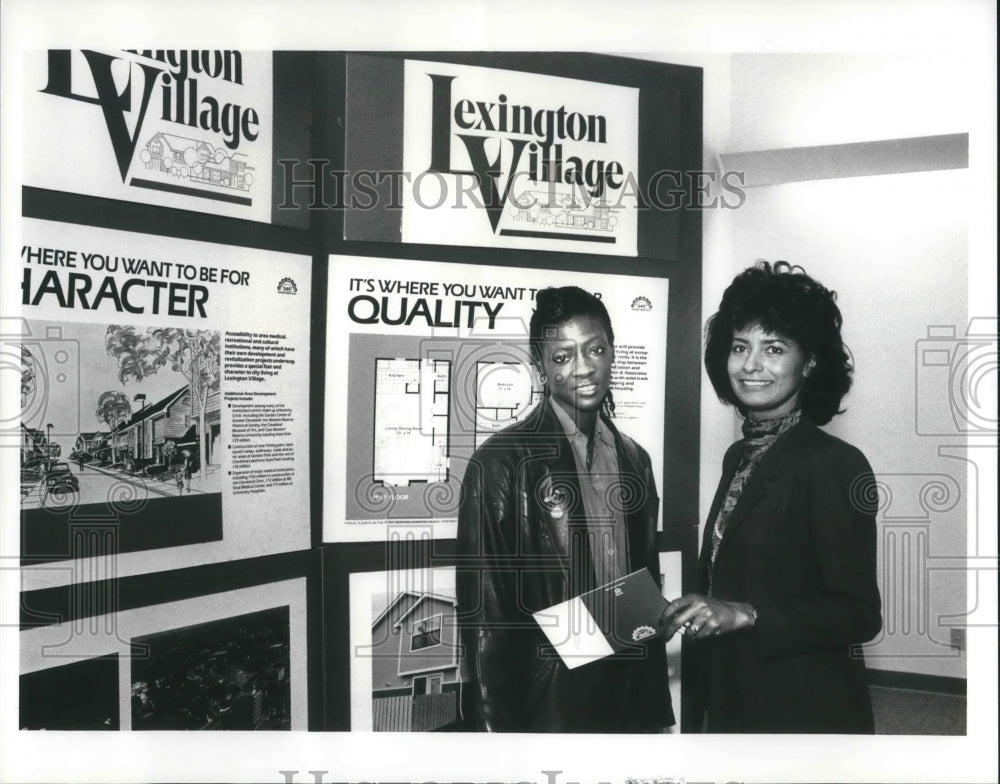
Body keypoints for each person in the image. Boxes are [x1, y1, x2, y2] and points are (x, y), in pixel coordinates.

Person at [662, 261, 882, 734]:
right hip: (733, 697)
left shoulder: (835, 465)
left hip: (803, 711)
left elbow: (858, 613)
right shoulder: (739, 455)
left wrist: (745, 613)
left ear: (811, 363)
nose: (751, 364)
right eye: (740, 346)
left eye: (774, 348)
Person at [456, 286, 674, 733]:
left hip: (630, 705)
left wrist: (657, 615)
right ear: (540, 367)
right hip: (549, 709)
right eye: (562, 357)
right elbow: (488, 625)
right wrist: (494, 741)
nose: (584, 368)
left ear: (613, 352)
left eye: (596, 349)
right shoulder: (501, 463)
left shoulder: (636, 459)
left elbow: (637, 586)